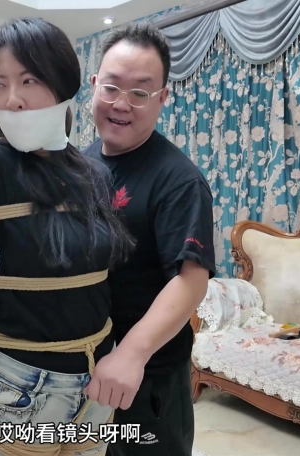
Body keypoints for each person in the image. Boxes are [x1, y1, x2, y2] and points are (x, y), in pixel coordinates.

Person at [0, 17, 136, 456]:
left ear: (63, 84)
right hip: (23, 385)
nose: (12, 98)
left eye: (29, 79)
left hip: (96, 379)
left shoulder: (92, 173)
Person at [81, 23, 216, 456]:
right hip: (83, 368)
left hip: (144, 376)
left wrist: (131, 354)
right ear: (94, 85)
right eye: (112, 87)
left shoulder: (179, 180)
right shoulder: (79, 164)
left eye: (140, 92)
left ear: (162, 98)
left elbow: (191, 280)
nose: (122, 104)